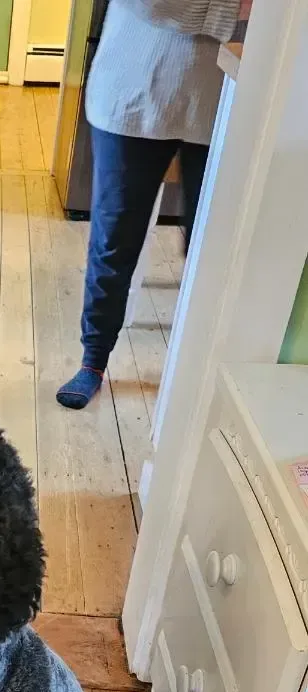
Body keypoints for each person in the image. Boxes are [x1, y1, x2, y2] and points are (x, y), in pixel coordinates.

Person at [56, 0, 241, 409]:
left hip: (229, 98)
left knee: (214, 251)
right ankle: (93, 361)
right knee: (114, 242)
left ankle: (199, 367)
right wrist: (239, 12)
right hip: (133, 93)